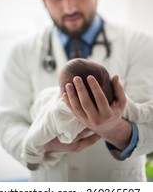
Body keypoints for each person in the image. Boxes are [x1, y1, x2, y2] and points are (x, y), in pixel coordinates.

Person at [0, 0, 153, 182]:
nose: (69, 6)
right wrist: (44, 144)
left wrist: (114, 129)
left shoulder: (140, 44)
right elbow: (10, 124)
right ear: (43, 0)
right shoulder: (22, 52)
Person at [22, 58, 153, 173]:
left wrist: (32, 159)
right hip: (43, 103)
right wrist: (44, 151)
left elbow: (33, 139)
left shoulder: (113, 101)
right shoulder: (58, 113)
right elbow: (142, 113)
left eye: (61, 86)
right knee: (40, 107)